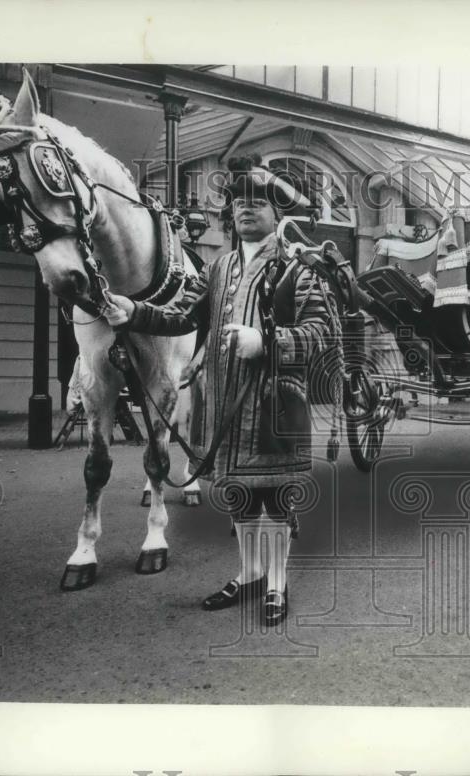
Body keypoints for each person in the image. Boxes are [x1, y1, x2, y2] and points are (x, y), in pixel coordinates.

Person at [104, 155, 329, 626]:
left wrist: (266, 342)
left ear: (278, 214)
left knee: (274, 502)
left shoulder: (299, 269)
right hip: (222, 401)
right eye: (239, 203)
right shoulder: (217, 268)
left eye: (258, 202)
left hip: (274, 408)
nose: (246, 210)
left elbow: (322, 335)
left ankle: (276, 585)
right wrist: (135, 313)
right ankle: (248, 575)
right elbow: (183, 317)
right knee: (240, 498)